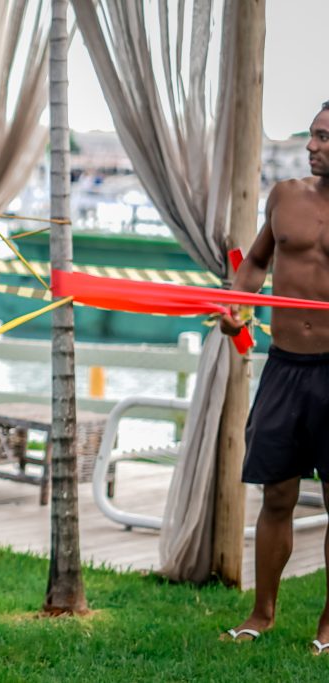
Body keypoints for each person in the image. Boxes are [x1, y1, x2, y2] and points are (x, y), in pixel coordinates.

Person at [220, 101, 329, 655]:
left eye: (324, 138)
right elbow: (257, 262)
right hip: (285, 366)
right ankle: (261, 613)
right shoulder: (285, 196)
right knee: (277, 494)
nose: (312, 146)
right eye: (312, 135)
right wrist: (238, 305)